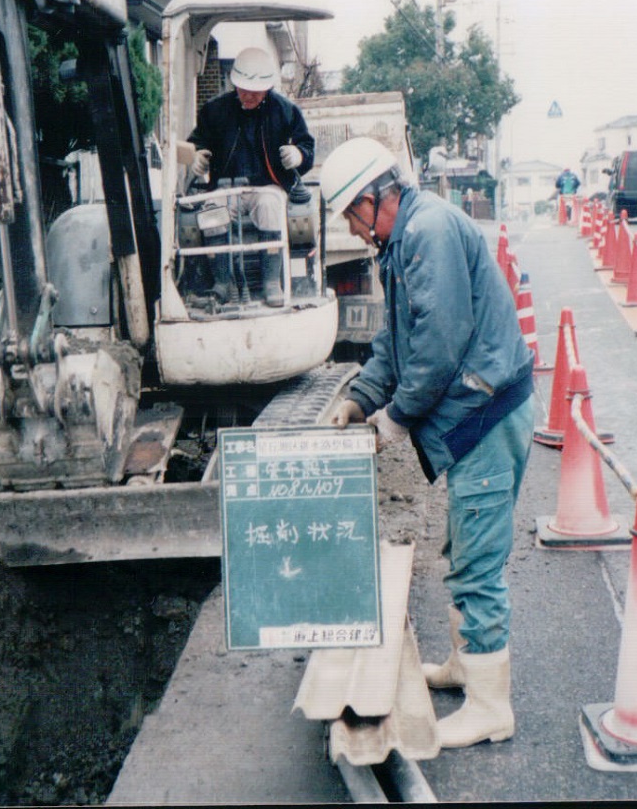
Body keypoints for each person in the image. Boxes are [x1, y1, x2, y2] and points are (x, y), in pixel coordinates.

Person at [320, 136, 535, 750]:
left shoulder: (428, 232)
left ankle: (492, 706)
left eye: (351, 216)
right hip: (477, 409)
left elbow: (438, 345)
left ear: (371, 198)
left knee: (478, 558)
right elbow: (395, 340)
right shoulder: (402, 240)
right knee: (463, 540)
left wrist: (397, 417)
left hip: (487, 409)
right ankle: (471, 663)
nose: (355, 232)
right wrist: (361, 397)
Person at [186, 46, 313, 306]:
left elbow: (307, 147)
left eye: (254, 92)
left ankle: (270, 282)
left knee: (269, 205)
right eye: (243, 90)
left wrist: (298, 155)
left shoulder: (285, 110)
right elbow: (196, 143)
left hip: (267, 187)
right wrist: (195, 158)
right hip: (224, 189)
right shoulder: (215, 111)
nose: (248, 96)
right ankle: (222, 282)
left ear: (267, 89)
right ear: (234, 84)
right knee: (211, 211)